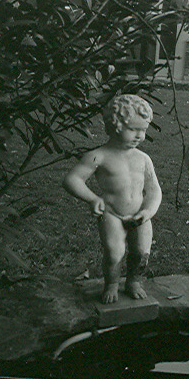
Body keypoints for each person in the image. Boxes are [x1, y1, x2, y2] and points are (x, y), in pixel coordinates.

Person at [62, 94, 162, 304]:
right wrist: (92, 198)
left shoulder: (143, 159)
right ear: (114, 126)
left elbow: (154, 190)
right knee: (114, 252)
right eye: (133, 129)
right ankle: (112, 284)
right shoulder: (100, 156)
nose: (139, 135)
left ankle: (134, 281)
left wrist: (147, 211)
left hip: (140, 215)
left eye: (143, 130)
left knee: (141, 252)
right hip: (112, 213)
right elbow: (72, 179)